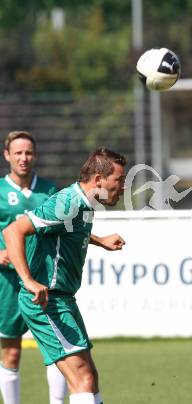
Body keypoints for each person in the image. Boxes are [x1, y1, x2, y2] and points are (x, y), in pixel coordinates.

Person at [3, 148, 127, 404]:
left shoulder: (83, 203)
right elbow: (14, 231)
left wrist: (99, 240)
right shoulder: (68, 202)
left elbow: (64, 231)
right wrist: (27, 279)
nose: (123, 187)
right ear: (99, 180)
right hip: (47, 302)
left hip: (63, 300)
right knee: (82, 378)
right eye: (119, 180)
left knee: (89, 376)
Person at [0, 131, 68, 404]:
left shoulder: (49, 191)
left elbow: (64, 229)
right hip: (7, 282)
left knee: (55, 351)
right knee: (11, 352)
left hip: (41, 280)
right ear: (7, 156)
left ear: (35, 155)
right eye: (17, 153)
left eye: (28, 152)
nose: (23, 158)